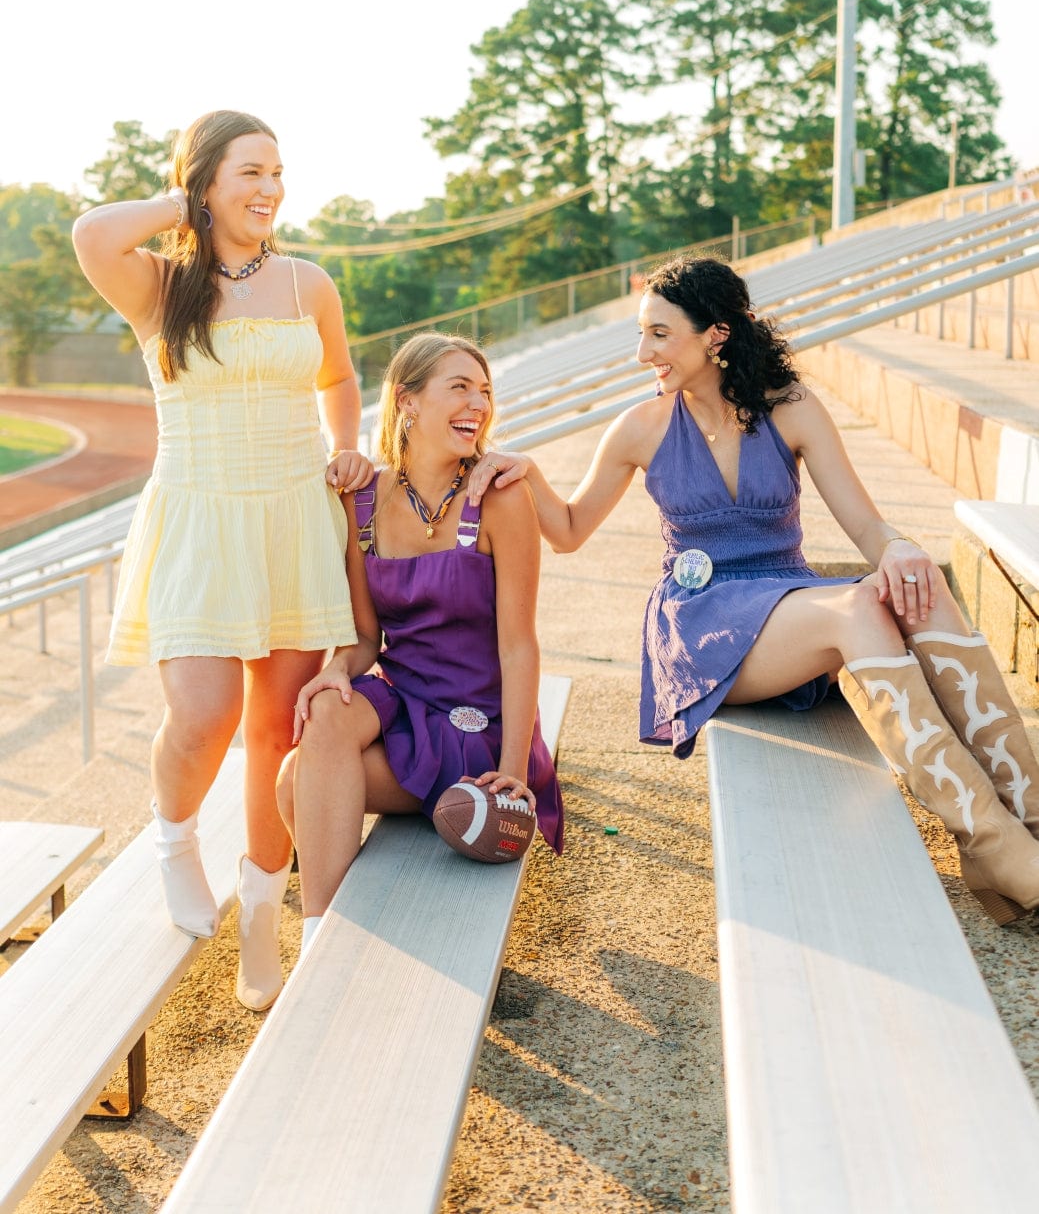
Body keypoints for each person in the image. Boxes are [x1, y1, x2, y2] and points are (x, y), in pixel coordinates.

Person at [467, 255, 1039, 926]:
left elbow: (861, 521)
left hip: (792, 608)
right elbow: (566, 531)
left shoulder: (789, 407)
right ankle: (997, 848)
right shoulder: (640, 427)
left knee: (921, 585)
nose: (641, 353)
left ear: (715, 334)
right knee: (858, 604)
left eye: (657, 334)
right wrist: (529, 472)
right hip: (702, 627)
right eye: (640, 334)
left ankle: (1022, 822)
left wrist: (898, 547)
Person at [71, 109, 372, 1010]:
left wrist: (347, 442)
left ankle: (258, 918)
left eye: (278, 172)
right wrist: (183, 208)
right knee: (202, 714)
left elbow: (341, 379)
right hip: (199, 519)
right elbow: (92, 231)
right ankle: (172, 842)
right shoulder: (158, 287)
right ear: (203, 183)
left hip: (291, 516)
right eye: (249, 172)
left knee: (276, 733)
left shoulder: (306, 282)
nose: (271, 189)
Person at [277, 332, 564, 953]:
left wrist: (514, 770)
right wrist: (336, 670)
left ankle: (332, 938)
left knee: (292, 784)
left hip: (479, 723)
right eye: (459, 387)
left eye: (484, 391)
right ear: (406, 401)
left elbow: (519, 646)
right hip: (404, 706)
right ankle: (320, 938)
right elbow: (363, 637)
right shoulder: (362, 503)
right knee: (324, 712)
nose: (478, 405)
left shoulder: (500, 496)